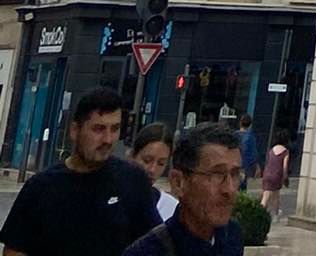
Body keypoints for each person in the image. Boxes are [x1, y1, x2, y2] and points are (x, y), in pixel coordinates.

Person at [0, 85, 160, 256]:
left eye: (115, 129)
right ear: (75, 130)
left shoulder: (133, 181)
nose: (108, 139)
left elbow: (156, 244)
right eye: (98, 129)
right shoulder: (41, 188)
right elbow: (14, 251)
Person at [122, 124, 243, 255]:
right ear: (178, 182)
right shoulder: (147, 251)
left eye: (235, 174)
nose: (229, 189)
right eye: (217, 175)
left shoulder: (232, 236)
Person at [128, 129, 177, 223]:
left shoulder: (171, 207)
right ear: (132, 156)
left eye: (161, 163)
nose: (152, 170)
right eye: (147, 161)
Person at [259, 130, 289, 217]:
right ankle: (260, 213)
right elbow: (285, 166)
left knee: (274, 194)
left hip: (267, 174)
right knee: (267, 196)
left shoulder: (271, 150)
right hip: (276, 175)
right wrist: (285, 177)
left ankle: (276, 212)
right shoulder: (285, 152)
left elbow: (267, 162)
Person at [234, 119, 258, 194]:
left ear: (240, 123)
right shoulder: (250, 136)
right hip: (245, 166)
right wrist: (256, 166)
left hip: (234, 162)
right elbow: (253, 153)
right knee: (242, 187)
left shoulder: (234, 135)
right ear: (250, 125)